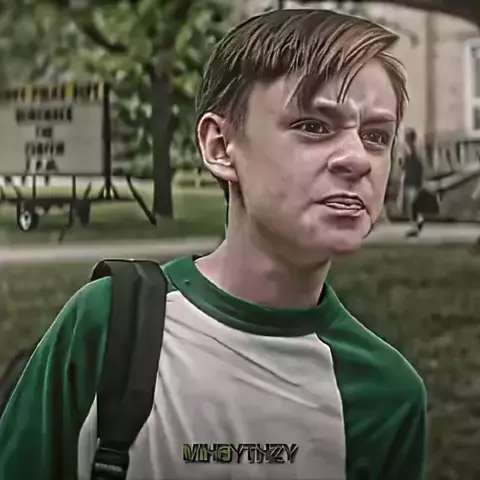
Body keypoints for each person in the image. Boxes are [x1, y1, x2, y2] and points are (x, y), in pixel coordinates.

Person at [0, 9, 427, 480]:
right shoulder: (108, 325)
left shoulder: (386, 396)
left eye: (376, 136)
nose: (357, 159)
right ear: (220, 146)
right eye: (313, 126)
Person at [402, 128, 425, 237]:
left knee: (412, 205)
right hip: (412, 180)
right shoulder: (413, 149)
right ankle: (419, 221)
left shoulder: (412, 149)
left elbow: (415, 165)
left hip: (412, 181)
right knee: (413, 205)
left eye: (406, 136)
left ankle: (415, 226)